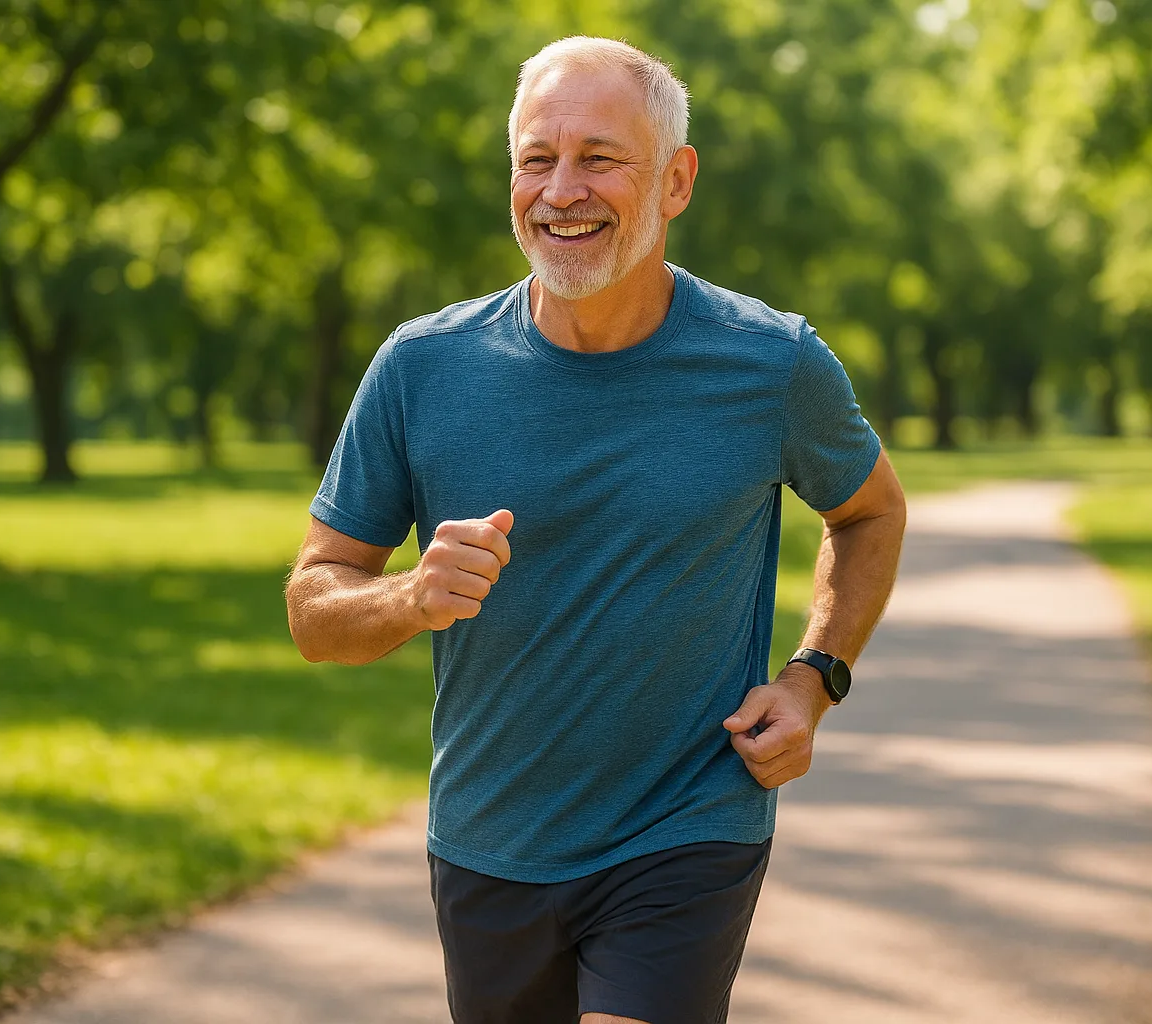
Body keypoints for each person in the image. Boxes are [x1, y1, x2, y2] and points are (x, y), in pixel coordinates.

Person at [285, 35, 907, 1024]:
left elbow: (870, 509)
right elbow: (314, 612)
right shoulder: (420, 367)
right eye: (537, 159)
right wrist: (409, 596)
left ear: (675, 180)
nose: (560, 189)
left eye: (599, 158)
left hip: (687, 822)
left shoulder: (770, 363)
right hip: (490, 838)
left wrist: (813, 677)